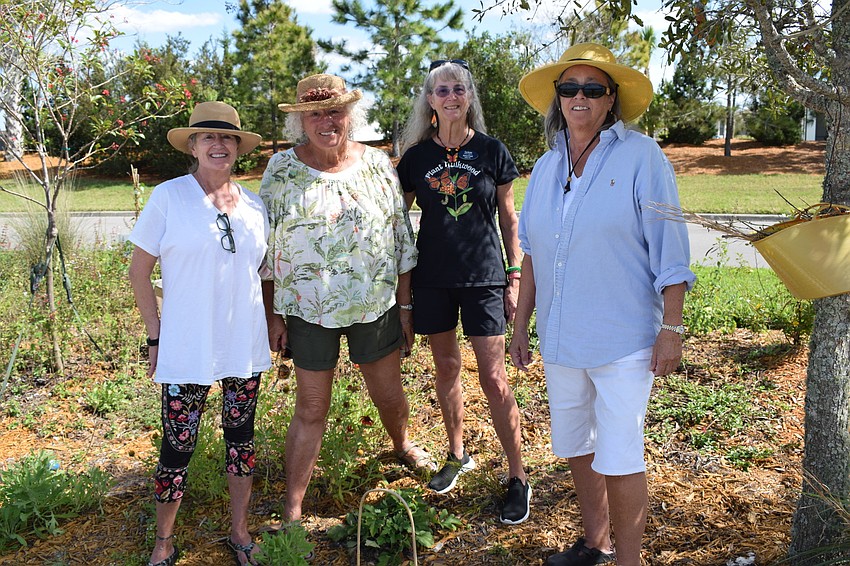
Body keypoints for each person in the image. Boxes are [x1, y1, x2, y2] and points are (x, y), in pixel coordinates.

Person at [509, 43, 696, 565]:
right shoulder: (547, 167)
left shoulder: (642, 156)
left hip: (622, 339)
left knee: (620, 454)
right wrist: (521, 326)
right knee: (576, 444)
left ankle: (629, 561)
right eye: (569, 88)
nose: (579, 98)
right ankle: (596, 544)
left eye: (593, 89)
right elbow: (534, 254)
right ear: (557, 98)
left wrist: (672, 328)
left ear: (611, 100)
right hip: (561, 338)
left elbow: (671, 250)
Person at [259, 73, 434, 528]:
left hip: (373, 303)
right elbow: (267, 246)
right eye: (315, 113)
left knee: (388, 393)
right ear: (302, 121)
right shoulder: (281, 170)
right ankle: (293, 509)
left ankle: (401, 444)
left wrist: (405, 305)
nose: (325, 121)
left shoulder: (377, 164)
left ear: (350, 115)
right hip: (307, 307)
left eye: (334, 111)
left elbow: (400, 238)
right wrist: (272, 312)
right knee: (312, 406)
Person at [128, 101, 270, 566]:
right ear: (192, 145)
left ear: (237, 148)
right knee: (177, 446)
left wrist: (273, 325)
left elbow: (262, 274)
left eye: (227, 138)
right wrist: (155, 336)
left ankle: (240, 531)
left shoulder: (253, 204)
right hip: (186, 348)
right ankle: (164, 541)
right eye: (207, 137)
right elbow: (139, 271)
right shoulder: (169, 197)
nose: (218, 144)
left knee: (241, 441)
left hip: (242, 348)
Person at [397, 59, 531, 524]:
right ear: (430, 101)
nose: (451, 97)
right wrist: (404, 296)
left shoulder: (492, 151)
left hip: (485, 279)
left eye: (458, 89)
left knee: (494, 379)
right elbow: (397, 227)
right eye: (441, 90)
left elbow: (509, 219)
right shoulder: (415, 158)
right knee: (446, 368)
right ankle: (457, 453)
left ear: (469, 96)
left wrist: (514, 276)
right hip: (432, 278)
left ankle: (517, 475)